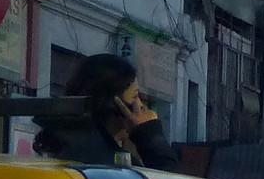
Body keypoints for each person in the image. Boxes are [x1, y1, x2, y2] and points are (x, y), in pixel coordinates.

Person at [32, 54, 180, 170]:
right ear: (115, 103)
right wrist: (150, 134)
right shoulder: (110, 163)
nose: (141, 106)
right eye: (135, 97)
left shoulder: (63, 143)